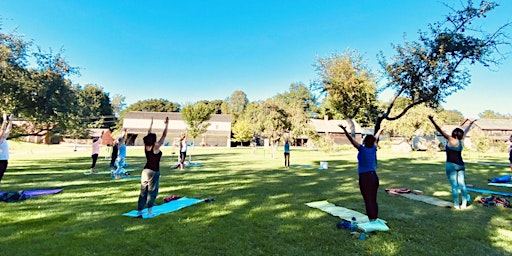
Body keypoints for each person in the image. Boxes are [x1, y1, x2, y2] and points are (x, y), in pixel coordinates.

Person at [428, 115, 476, 210]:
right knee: (462, 184)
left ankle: (456, 205)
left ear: (453, 133)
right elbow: (466, 130)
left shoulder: (451, 140)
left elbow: (439, 130)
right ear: (461, 135)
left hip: (451, 165)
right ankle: (464, 204)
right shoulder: (461, 140)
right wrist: (471, 123)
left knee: (454, 186)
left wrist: (432, 120)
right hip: (461, 165)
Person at [340, 124, 385, 222]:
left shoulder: (362, 149)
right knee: (373, 199)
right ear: (373, 142)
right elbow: (376, 138)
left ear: (364, 141)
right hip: (374, 177)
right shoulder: (373, 148)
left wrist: (344, 130)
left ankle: (372, 220)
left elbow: (351, 140)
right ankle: (375, 218)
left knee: (368, 199)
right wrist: (380, 130)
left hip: (365, 178)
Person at [137, 117, 169, 218]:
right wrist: (167, 124)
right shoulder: (156, 147)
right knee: (152, 192)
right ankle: (150, 212)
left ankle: (139, 211)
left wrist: (151, 125)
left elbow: (148, 133)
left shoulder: (147, 146)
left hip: (145, 171)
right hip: (153, 172)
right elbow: (164, 136)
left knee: (143, 191)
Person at [0, 113, 14, 183]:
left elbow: (8, 129)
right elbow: (2, 130)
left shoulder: (3, 138)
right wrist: (5, 120)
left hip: (4, 161)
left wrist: (10, 121)